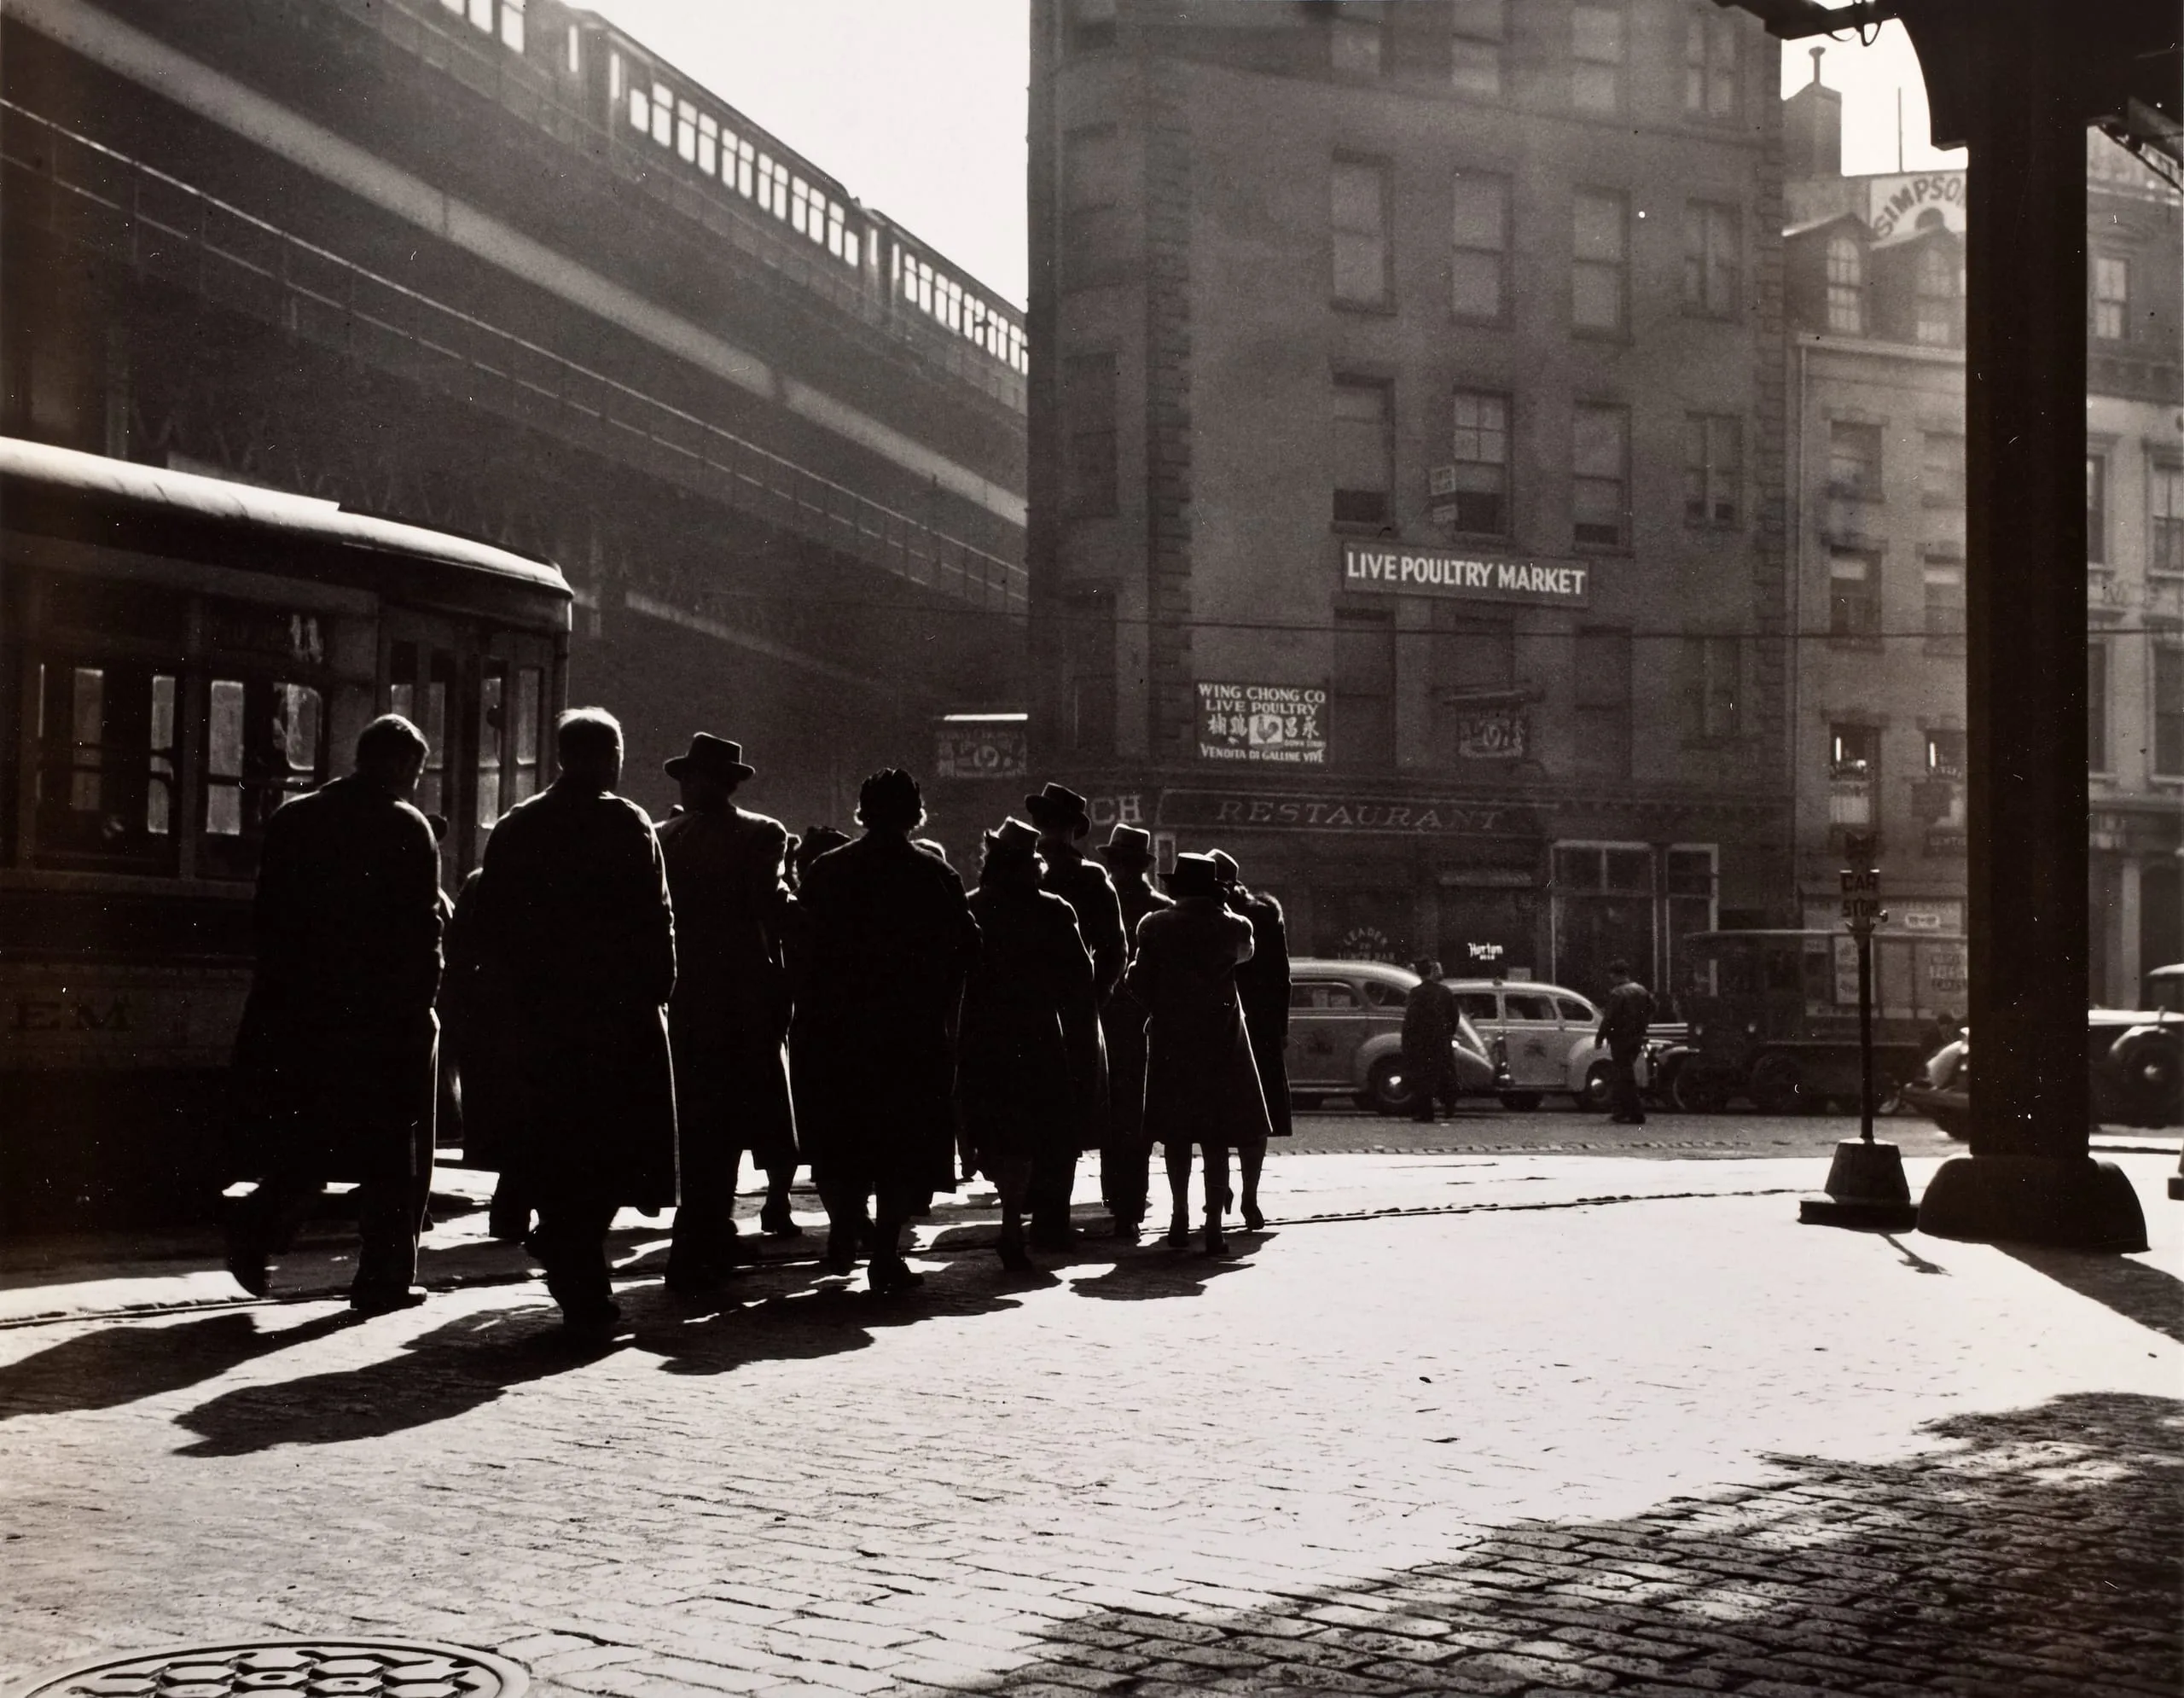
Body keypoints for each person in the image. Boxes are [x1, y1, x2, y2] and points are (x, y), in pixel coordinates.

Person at [469, 708, 677, 1340]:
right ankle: (573, 1259)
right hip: (615, 1014)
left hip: (540, 1016)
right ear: (611, 756)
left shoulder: (518, 824)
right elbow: (655, 916)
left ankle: (573, 1262)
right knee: (616, 1148)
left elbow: (490, 924)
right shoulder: (626, 821)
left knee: (558, 1146)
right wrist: (658, 990)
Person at [225, 714, 442, 1313]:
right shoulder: (406, 826)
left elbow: (268, 917)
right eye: (416, 771)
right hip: (378, 1015)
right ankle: (383, 1278)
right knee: (390, 1151)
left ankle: (258, 1225)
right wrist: (420, 1007)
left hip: (299, 1010)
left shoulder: (294, 818)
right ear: (403, 765)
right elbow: (422, 933)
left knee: (310, 1136)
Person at [790, 770, 979, 1293]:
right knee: (903, 1147)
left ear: (863, 811)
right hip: (909, 1032)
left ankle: (842, 1227)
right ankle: (885, 1253)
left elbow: (799, 946)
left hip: (834, 1030)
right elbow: (969, 948)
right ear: (915, 814)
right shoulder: (935, 874)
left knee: (838, 1138)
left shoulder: (827, 869)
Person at [655, 735, 799, 1296]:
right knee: (734, 1124)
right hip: (742, 1001)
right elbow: (772, 907)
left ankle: (703, 1236)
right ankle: (702, 1241)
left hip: (684, 999)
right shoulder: (762, 834)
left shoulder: (663, 836)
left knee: (697, 1126)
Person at [957, 818, 1097, 1271]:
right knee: (1041, 1133)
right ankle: (1027, 1224)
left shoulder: (972, 907)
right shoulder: (1055, 910)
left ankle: (1011, 1220)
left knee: (997, 1131)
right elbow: (1080, 982)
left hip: (983, 1036)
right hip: (1039, 1035)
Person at [1126, 852, 1270, 1255]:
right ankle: (1214, 1229)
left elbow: (1135, 980)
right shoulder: (1236, 927)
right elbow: (1246, 955)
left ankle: (1179, 1218)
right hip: (1221, 1042)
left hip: (1172, 1041)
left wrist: (1159, 1007)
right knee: (1216, 1137)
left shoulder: (1154, 925)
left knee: (1176, 1136)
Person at [1023, 782, 1124, 1249]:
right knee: (1065, 1115)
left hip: (1022, 1008)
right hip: (1073, 1012)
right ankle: (1051, 1216)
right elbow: (1115, 950)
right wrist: (1092, 999)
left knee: (1028, 1108)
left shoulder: (1020, 871)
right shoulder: (1091, 878)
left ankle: (1029, 1207)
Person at [1094, 823, 1170, 1241]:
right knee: (1137, 1116)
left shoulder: (1100, 900)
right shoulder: (1162, 909)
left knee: (1110, 1111)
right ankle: (1131, 1204)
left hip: (1106, 1018)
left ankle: (1114, 1195)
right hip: (1149, 1023)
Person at [1211, 849, 1289, 1231]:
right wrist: (1281, 1029)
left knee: (1215, 1115)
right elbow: (1282, 977)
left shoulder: (1206, 915)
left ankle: (1218, 1189)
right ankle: (1250, 1198)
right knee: (1257, 1116)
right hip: (1260, 1028)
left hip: (1215, 1024)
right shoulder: (1265, 914)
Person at [1401, 961, 1464, 1122]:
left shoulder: (1416, 993)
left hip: (1421, 1041)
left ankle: (1426, 1112)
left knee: (1423, 1076)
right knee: (1445, 1072)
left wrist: (1408, 1041)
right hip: (1441, 1039)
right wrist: (1448, 1032)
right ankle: (1449, 1104)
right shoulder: (1444, 992)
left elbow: (1410, 1019)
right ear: (1431, 972)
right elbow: (1454, 1016)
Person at [1597, 958, 1655, 1125]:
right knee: (1624, 1073)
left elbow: (1609, 1018)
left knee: (1623, 1075)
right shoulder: (1641, 990)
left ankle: (1634, 1112)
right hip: (1636, 1038)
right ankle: (1622, 1111)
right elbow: (1652, 1008)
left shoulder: (1617, 993)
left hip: (1620, 1038)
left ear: (1614, 975)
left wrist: (1600, 1037)